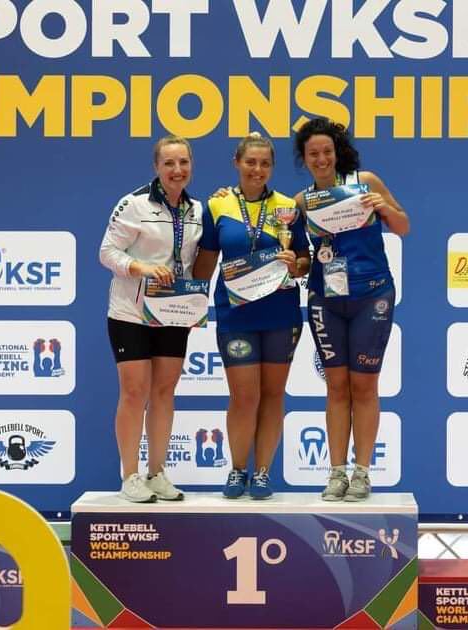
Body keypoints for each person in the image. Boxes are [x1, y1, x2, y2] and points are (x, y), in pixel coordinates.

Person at [293, 119, 410, 501]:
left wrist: (383, 207)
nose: (321, 159)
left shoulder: (365, 182)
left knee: (364, 386)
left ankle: (362, 472)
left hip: (372, 294)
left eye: (327, 151)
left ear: (337, 151)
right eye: (313, 154)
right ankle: (336, 472)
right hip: (326, 298)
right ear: (304, 159)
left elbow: (403, 226)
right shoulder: (302, 202)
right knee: (336, 387)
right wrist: (294, 264)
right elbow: (302, 258)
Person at [193, 133, 310, 499]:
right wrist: (182, 297)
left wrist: (296, 264)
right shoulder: (218, 205)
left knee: (273, 395)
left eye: (265, 164)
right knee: (244, 397)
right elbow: (204, 264)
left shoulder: (288, 206)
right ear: (237, 163)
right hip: (236, 314)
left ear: (272, 168)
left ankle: (262, 473)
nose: (257, 169)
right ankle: (238, 469)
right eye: (250, 162)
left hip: (281, 313)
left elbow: (304, 260)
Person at [99, 135, 204, 503]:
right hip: (131, 313)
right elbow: (106, 251)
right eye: (169, 163)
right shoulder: (134, 204)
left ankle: (157, 472)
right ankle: (130, 475)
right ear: (156, 167)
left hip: (172, 312)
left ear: (191, 165)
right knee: (134, 392)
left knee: (164, 391)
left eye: (183, 162)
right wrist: (139, 267)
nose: (177, 170)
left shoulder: (196, 210)